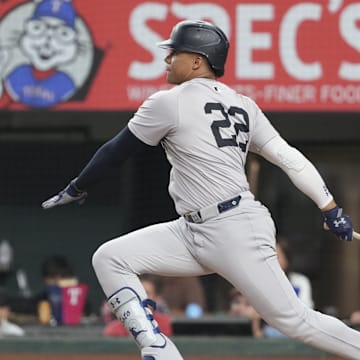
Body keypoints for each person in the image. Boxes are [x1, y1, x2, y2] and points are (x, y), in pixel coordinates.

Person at [41, 19, 360, 360]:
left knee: (295, 322)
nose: (167, 59)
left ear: (197, 61)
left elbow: (116, 150)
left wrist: (78, 186)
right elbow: (290, 158)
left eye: (174, 52)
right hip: (192, 229)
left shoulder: (171, 101)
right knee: (110, 257)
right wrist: (329, 207)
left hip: (234, 226)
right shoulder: (244, 104)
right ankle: (158, 348)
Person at [103, 274, 173, 337]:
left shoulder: (168, 326)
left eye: (146, 293)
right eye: (136, 293)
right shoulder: (114, 330)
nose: (139, 298)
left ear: (157, 299)